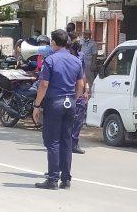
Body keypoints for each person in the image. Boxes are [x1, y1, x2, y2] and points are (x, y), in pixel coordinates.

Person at [32, 29, 84, 190]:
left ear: (53, 42)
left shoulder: (50, 60)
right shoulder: (76, 60)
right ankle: (66, 179)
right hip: (70, 103)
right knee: (66, 141)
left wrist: (36, 105)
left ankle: (53, 178)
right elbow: (80, 84)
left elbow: (44, 84)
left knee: (52, 141)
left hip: (54, 103)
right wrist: (74, 99)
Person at [68, 35, 90, 154]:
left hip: (79, 90)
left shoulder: (81, 56)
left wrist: (86, 89)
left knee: (79, 118)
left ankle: (74, 144)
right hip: (67, 91)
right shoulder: (65, 56)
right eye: (76, 40)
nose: (78, 42)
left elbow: (83, 75)